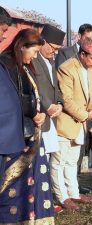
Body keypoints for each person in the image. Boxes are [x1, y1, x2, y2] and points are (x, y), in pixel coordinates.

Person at [0, 28, 55, 224]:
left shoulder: (23, 67)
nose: (34, 57)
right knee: (12, 190)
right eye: (33, 52)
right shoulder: (6, 65)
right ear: (22, 46)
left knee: (29, 186)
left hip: (30, 135)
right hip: (14, 139)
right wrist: (33, 114)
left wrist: (37, 115)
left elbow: (30, 97)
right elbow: (12, 100)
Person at [51, 36, 92, 210]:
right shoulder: (66, 68)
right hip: (65, 124)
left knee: (72, 162)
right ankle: (61, 197)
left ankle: (73, 193)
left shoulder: (89, 69)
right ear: (82, 54)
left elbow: (90, 94)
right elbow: (66, 99)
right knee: (58, 163)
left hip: (80, 124)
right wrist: (84, 115)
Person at [32, 24, 65, 155]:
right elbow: (34, 87)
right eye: (53, 48)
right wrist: (47, 106)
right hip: (39, 118)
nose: (54, 52)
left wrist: (60, 105)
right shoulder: (33, 59)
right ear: (43, 41)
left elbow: (56, 88)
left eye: (57, 49)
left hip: (51, 120)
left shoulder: (51, 62)